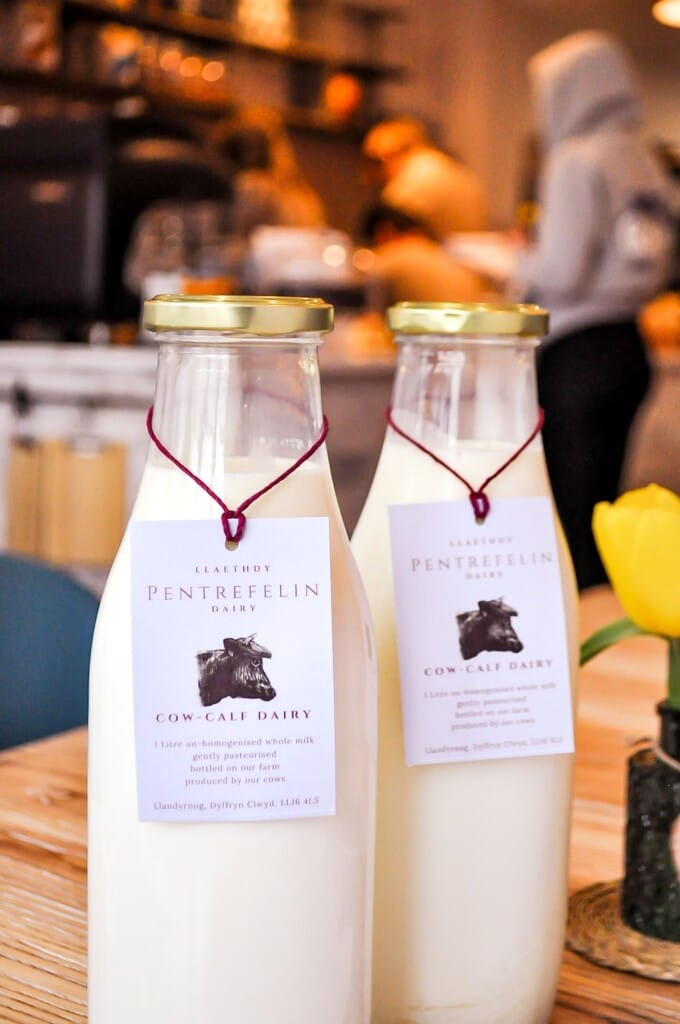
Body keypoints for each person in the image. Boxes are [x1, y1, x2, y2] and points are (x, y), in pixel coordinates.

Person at [514, 30, 675, 590]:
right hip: (629, 345)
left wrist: (512, 270)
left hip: (576, 352)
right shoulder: (644, 158)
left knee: (568, 520)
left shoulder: (575, 159)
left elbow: (560, 271)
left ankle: (575, 653)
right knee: (602, 512)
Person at [361, 116, 488, 241]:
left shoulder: (413, 178)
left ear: (386, 155)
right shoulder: (448, 166)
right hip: (467, 254)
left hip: (441, 256)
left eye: (374, 162)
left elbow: (385, 232)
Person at [361, 202, 497, 306]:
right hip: (472, 334)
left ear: (385, 231)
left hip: (435, 338)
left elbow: (371, 313)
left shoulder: (394, 254)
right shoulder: (440, 253)